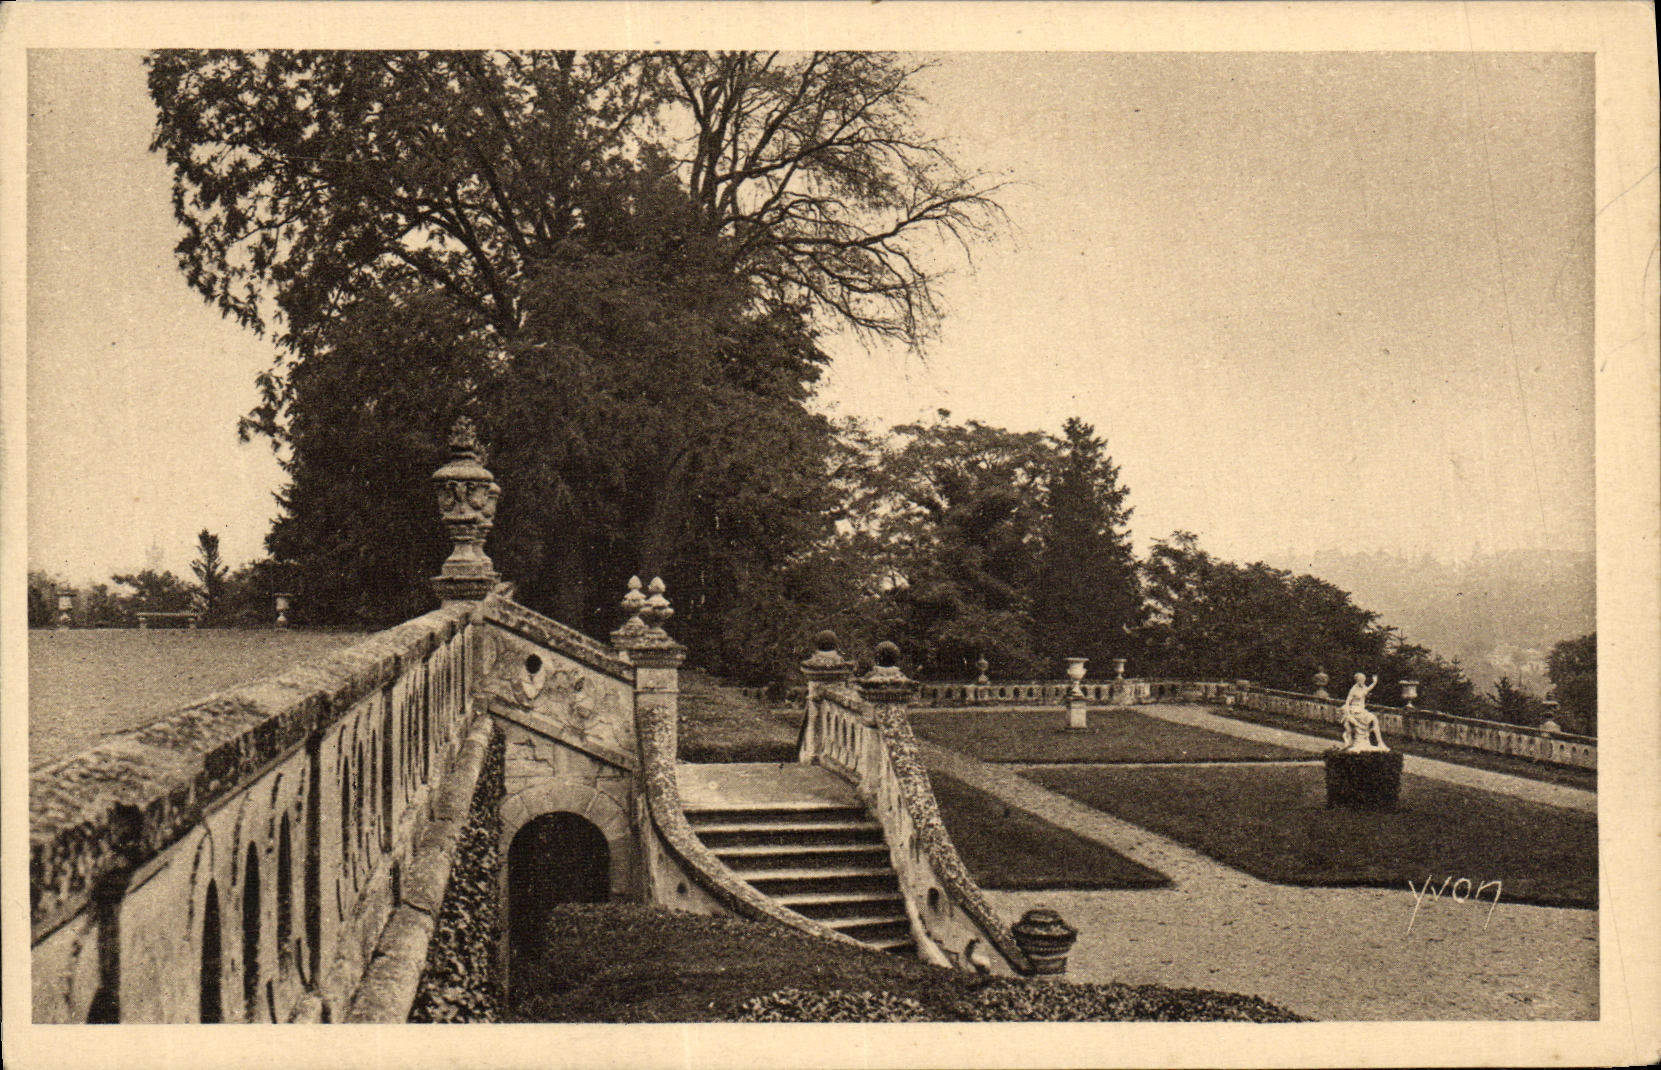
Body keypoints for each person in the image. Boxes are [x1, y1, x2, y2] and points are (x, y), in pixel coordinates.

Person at [1340, 672, 1388, 751]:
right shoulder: (1353, 689)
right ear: (1357, 680)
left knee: (1374, 719)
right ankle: (1358, 742)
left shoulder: (1363, 687)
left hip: (1362, 710)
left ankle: (1380, 743)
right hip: (1355, 711)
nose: (1363, 681)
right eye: (1361, 680)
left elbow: (1368, 689)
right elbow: (1348, 701)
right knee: (1370, 719)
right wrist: (1348, 714)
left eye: (1364, 680)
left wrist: (1374, 682)